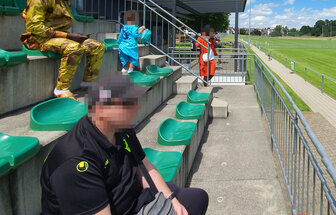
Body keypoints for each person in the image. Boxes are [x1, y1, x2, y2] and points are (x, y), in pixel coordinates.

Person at [40, 74, 209, 215]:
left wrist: (171, 199)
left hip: (135, 197)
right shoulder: (76, 161)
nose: (137, 106)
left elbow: (144, 165)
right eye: (127, 103)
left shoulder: (121, 129)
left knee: (197, 199)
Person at [20, 0, 104, 99]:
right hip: (38, 39)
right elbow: (34, 27)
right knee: (74, 48)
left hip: (59, 35)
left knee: (97, 46)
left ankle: (88, 83)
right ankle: (61, 89)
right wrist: (69, 36)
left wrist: (73, 36)